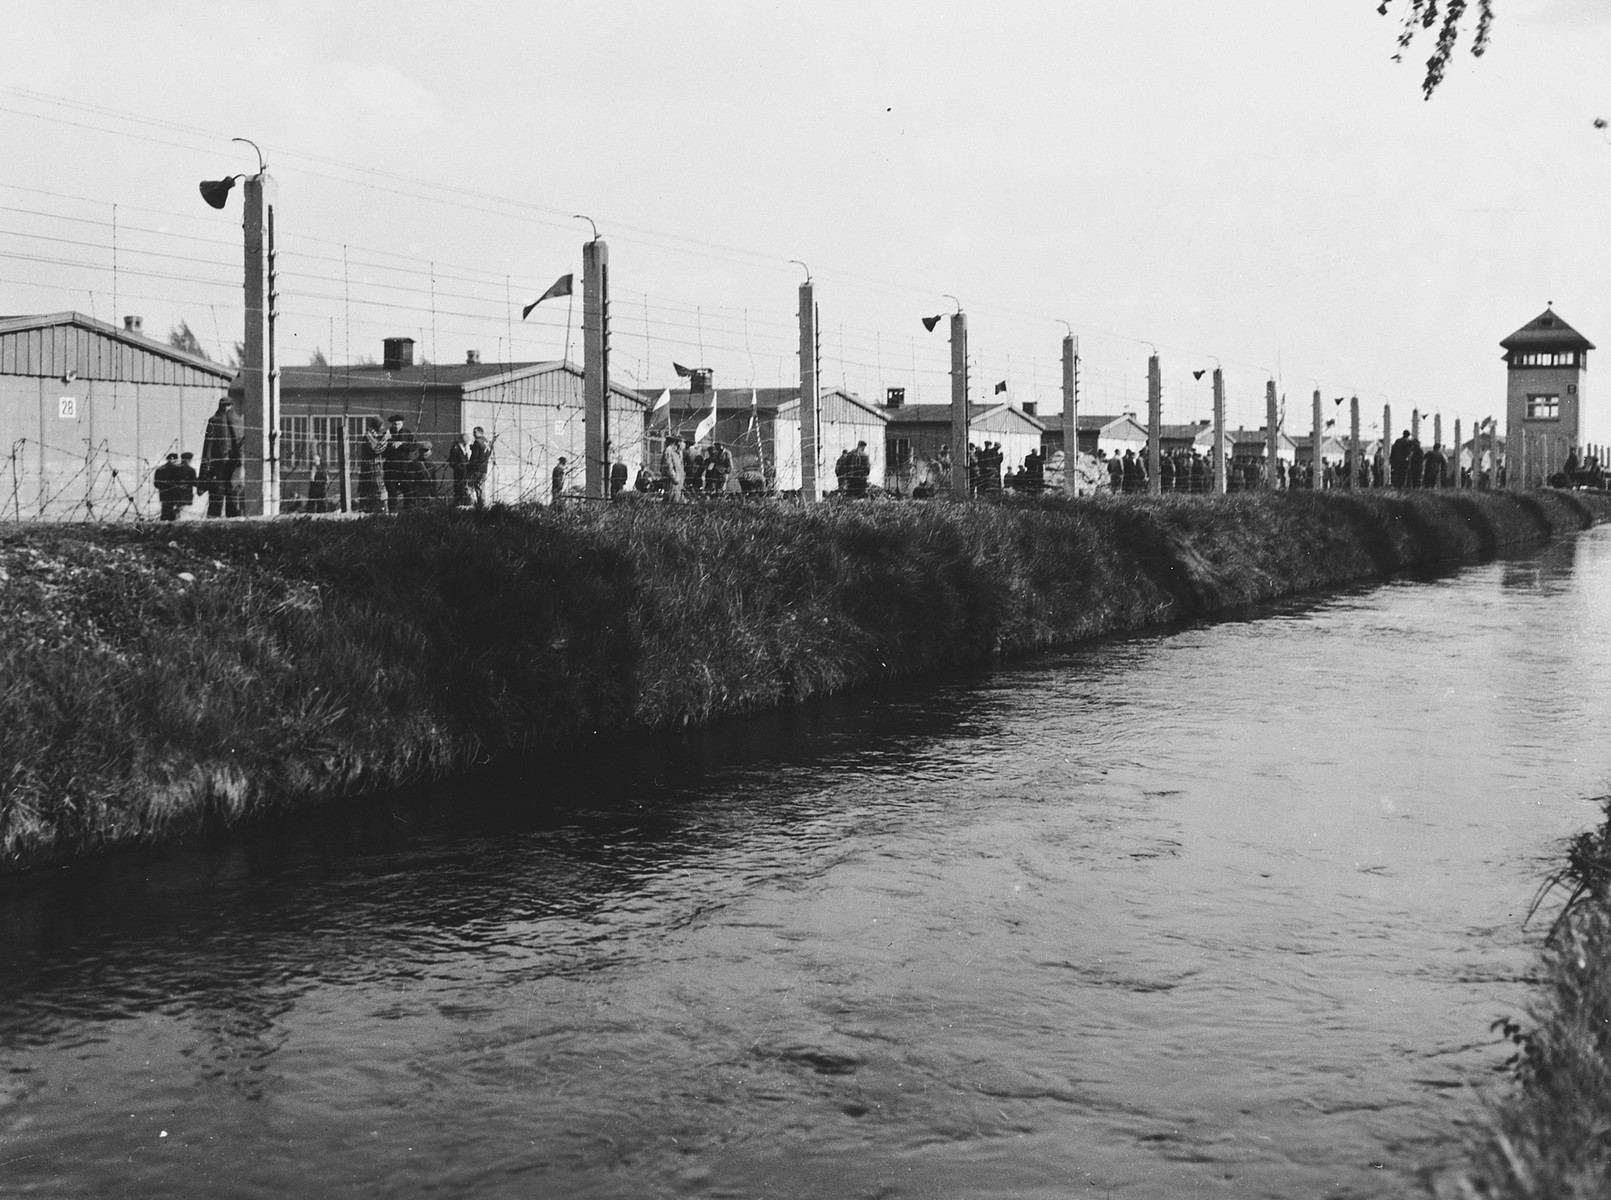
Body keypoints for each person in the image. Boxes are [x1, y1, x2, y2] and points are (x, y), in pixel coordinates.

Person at [200, 396, 246, 518]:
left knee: (217, 499)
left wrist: (203, 476)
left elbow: (207, 449)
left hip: (219, 467)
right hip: (233, 466)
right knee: (231, 496)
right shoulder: (239, 421)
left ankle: (215, 525)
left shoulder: (214, 421)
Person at [381, 414, 412, 513]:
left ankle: (408, 512)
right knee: (392, 492)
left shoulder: (408, 433)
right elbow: (382, 451)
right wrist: (390, 443)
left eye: (399, 424)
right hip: (391, 468)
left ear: (402, 423)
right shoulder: (387, 434)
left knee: (408, 491)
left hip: (405, 467)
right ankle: (392, 512)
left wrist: (402, 444)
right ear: (391, 424)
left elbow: (414, 446)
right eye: (394, 424)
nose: (397, 426)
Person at [154, 452, 185, 521]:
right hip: (174, 493)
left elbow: (156, 483)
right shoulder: (178, 469)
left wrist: (162, 488)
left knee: (165, 509)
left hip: (163, 493)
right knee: (173, 512)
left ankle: (163, 522)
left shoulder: (160, 469)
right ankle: (171, 525)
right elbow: (180, 482)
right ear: (174, 460)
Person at [468, 426, 493, 508]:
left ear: (479, 432)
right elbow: (487, 454)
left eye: (474, 432)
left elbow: (474, 457)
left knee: (469, 486)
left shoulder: (477, 442)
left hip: (476, 468)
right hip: (484, 468)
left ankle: (472, 504)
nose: (473, 434)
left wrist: (469, 465)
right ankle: (482, 505)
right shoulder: (488, 442)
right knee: (480, 487)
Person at [447, 433, 472, 507]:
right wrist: (460, 467)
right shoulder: (456, 447)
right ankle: (459, 504)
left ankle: (464, 503)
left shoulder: (464, 448)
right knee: (459, 489)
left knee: (464, 489)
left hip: (465, 472)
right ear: (463, 439)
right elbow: (452, 461)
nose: (468, 441)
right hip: (459, 472)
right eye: (467, 439)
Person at [660, 434, 685, 503]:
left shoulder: (679, 452)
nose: (681, 443)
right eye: (679, 441)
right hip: (671, 481)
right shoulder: (669, 450)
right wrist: (674, 478)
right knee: (671, 500)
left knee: (677, 500)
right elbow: (668, 466)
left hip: (678, 482)